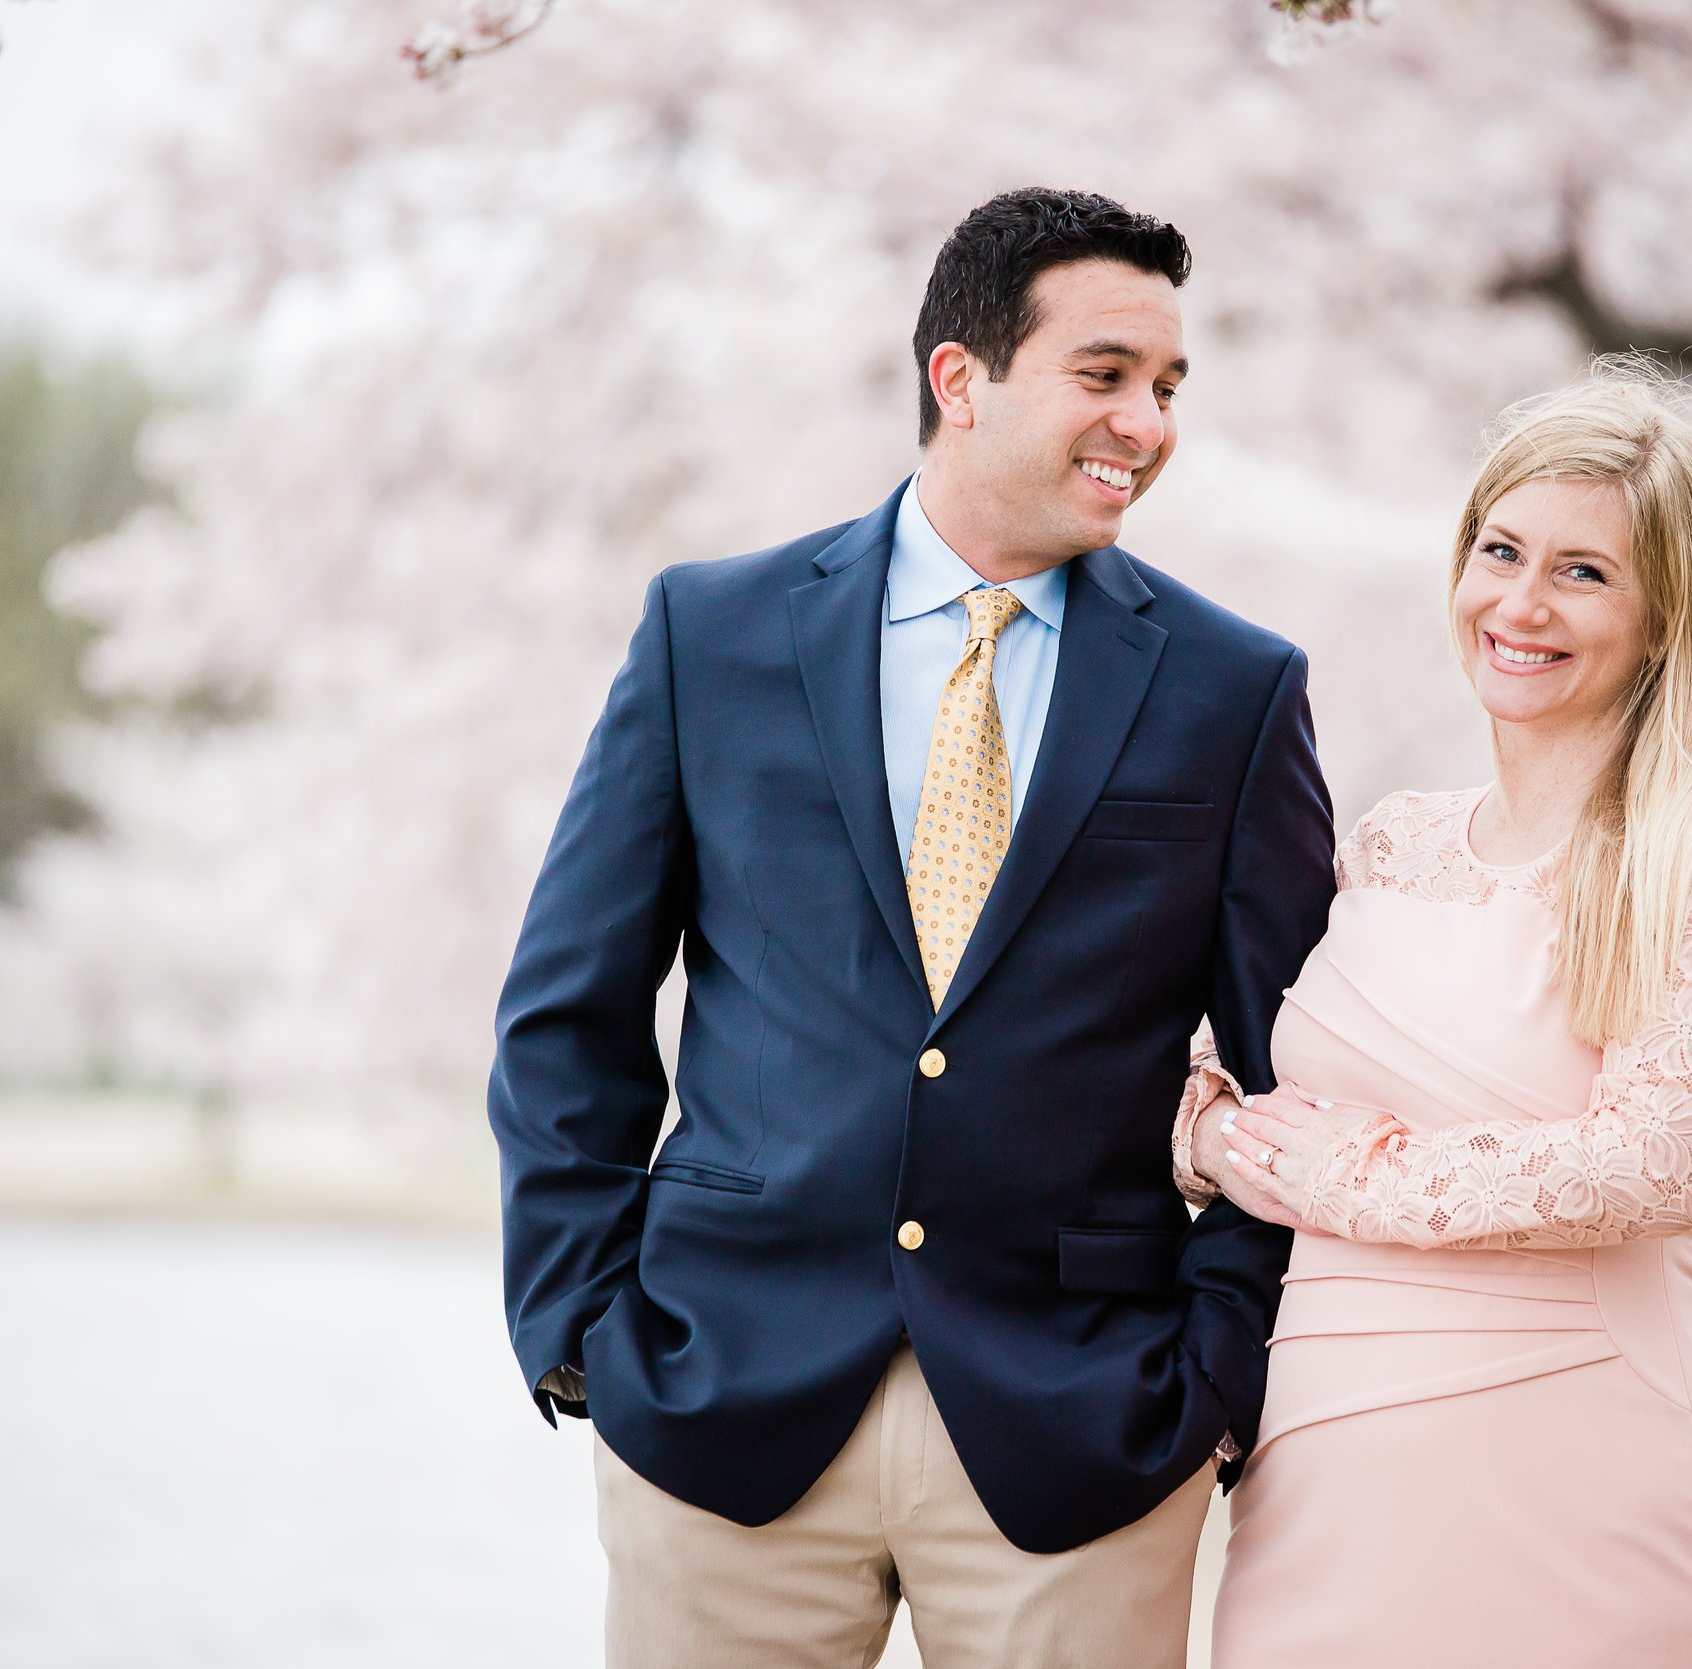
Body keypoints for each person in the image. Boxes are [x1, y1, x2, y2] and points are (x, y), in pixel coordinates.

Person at [487, 186, 1336, 1669]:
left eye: (1169, 386)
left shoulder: (1232, 688)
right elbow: (569, 1011)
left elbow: (1295, 1073)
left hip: (1083, 1435)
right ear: (962, 377)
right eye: (1107, 374)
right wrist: (583, 1335)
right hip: (719, 1411)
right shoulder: (713, 633)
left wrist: (1216, 1368)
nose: (1149, 421)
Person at [1180, 370, 1692, 1667]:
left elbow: (1651, 1162)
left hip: (1587, 1476)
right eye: (1500, 550)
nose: (1519, 603)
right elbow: (1241, 1090)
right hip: (1326, 1489)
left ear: (1667, 616)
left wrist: (1334, 1170)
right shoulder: (1390, 844)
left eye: (1582, 572)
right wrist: (1212, 1142)